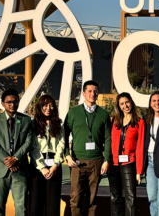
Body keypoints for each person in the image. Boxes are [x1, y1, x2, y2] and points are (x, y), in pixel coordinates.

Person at [64, 80, 112, 216]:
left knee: (92, 198)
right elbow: (64, 134)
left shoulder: (103, 114)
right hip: (77, 161)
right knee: (75, 198)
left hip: (96, 161)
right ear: (84, 93)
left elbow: (108, 138)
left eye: (95, 91)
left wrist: (106, 159)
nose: (93, 93)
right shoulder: (73, 112)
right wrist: (67, 154)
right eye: (90, 91)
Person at [0, 88, 33, 216]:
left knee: (21, 208)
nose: (12, 104)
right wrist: (8, 161)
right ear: (2, 103)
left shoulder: (26, 120)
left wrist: (16, 158)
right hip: (1, 168)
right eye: (9, 102)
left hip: (20, 168)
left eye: (15, 101)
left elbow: (28, 142)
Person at [28, 95, 65, 216]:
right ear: (40, 107)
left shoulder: (58, 123)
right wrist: (41, 167)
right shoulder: (33, 124)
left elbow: (61, 144)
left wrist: (55, 165)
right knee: (35, 204)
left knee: (53, 204)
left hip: (54, 165)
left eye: (51, 105)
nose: (48, 108)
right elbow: (33, 147)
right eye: (45, 105)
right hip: (37, 166)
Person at [109, 92, 145, 216]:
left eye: (127, 102)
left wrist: (139, 172)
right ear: (119, 106)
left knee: (131, 197)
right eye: (122, 104)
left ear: (131, 102)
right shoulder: (114, 120)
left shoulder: (140, 122)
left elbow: (140, 147)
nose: (125, 106)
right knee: (115, 197)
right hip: (113, 163)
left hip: (129, 162)